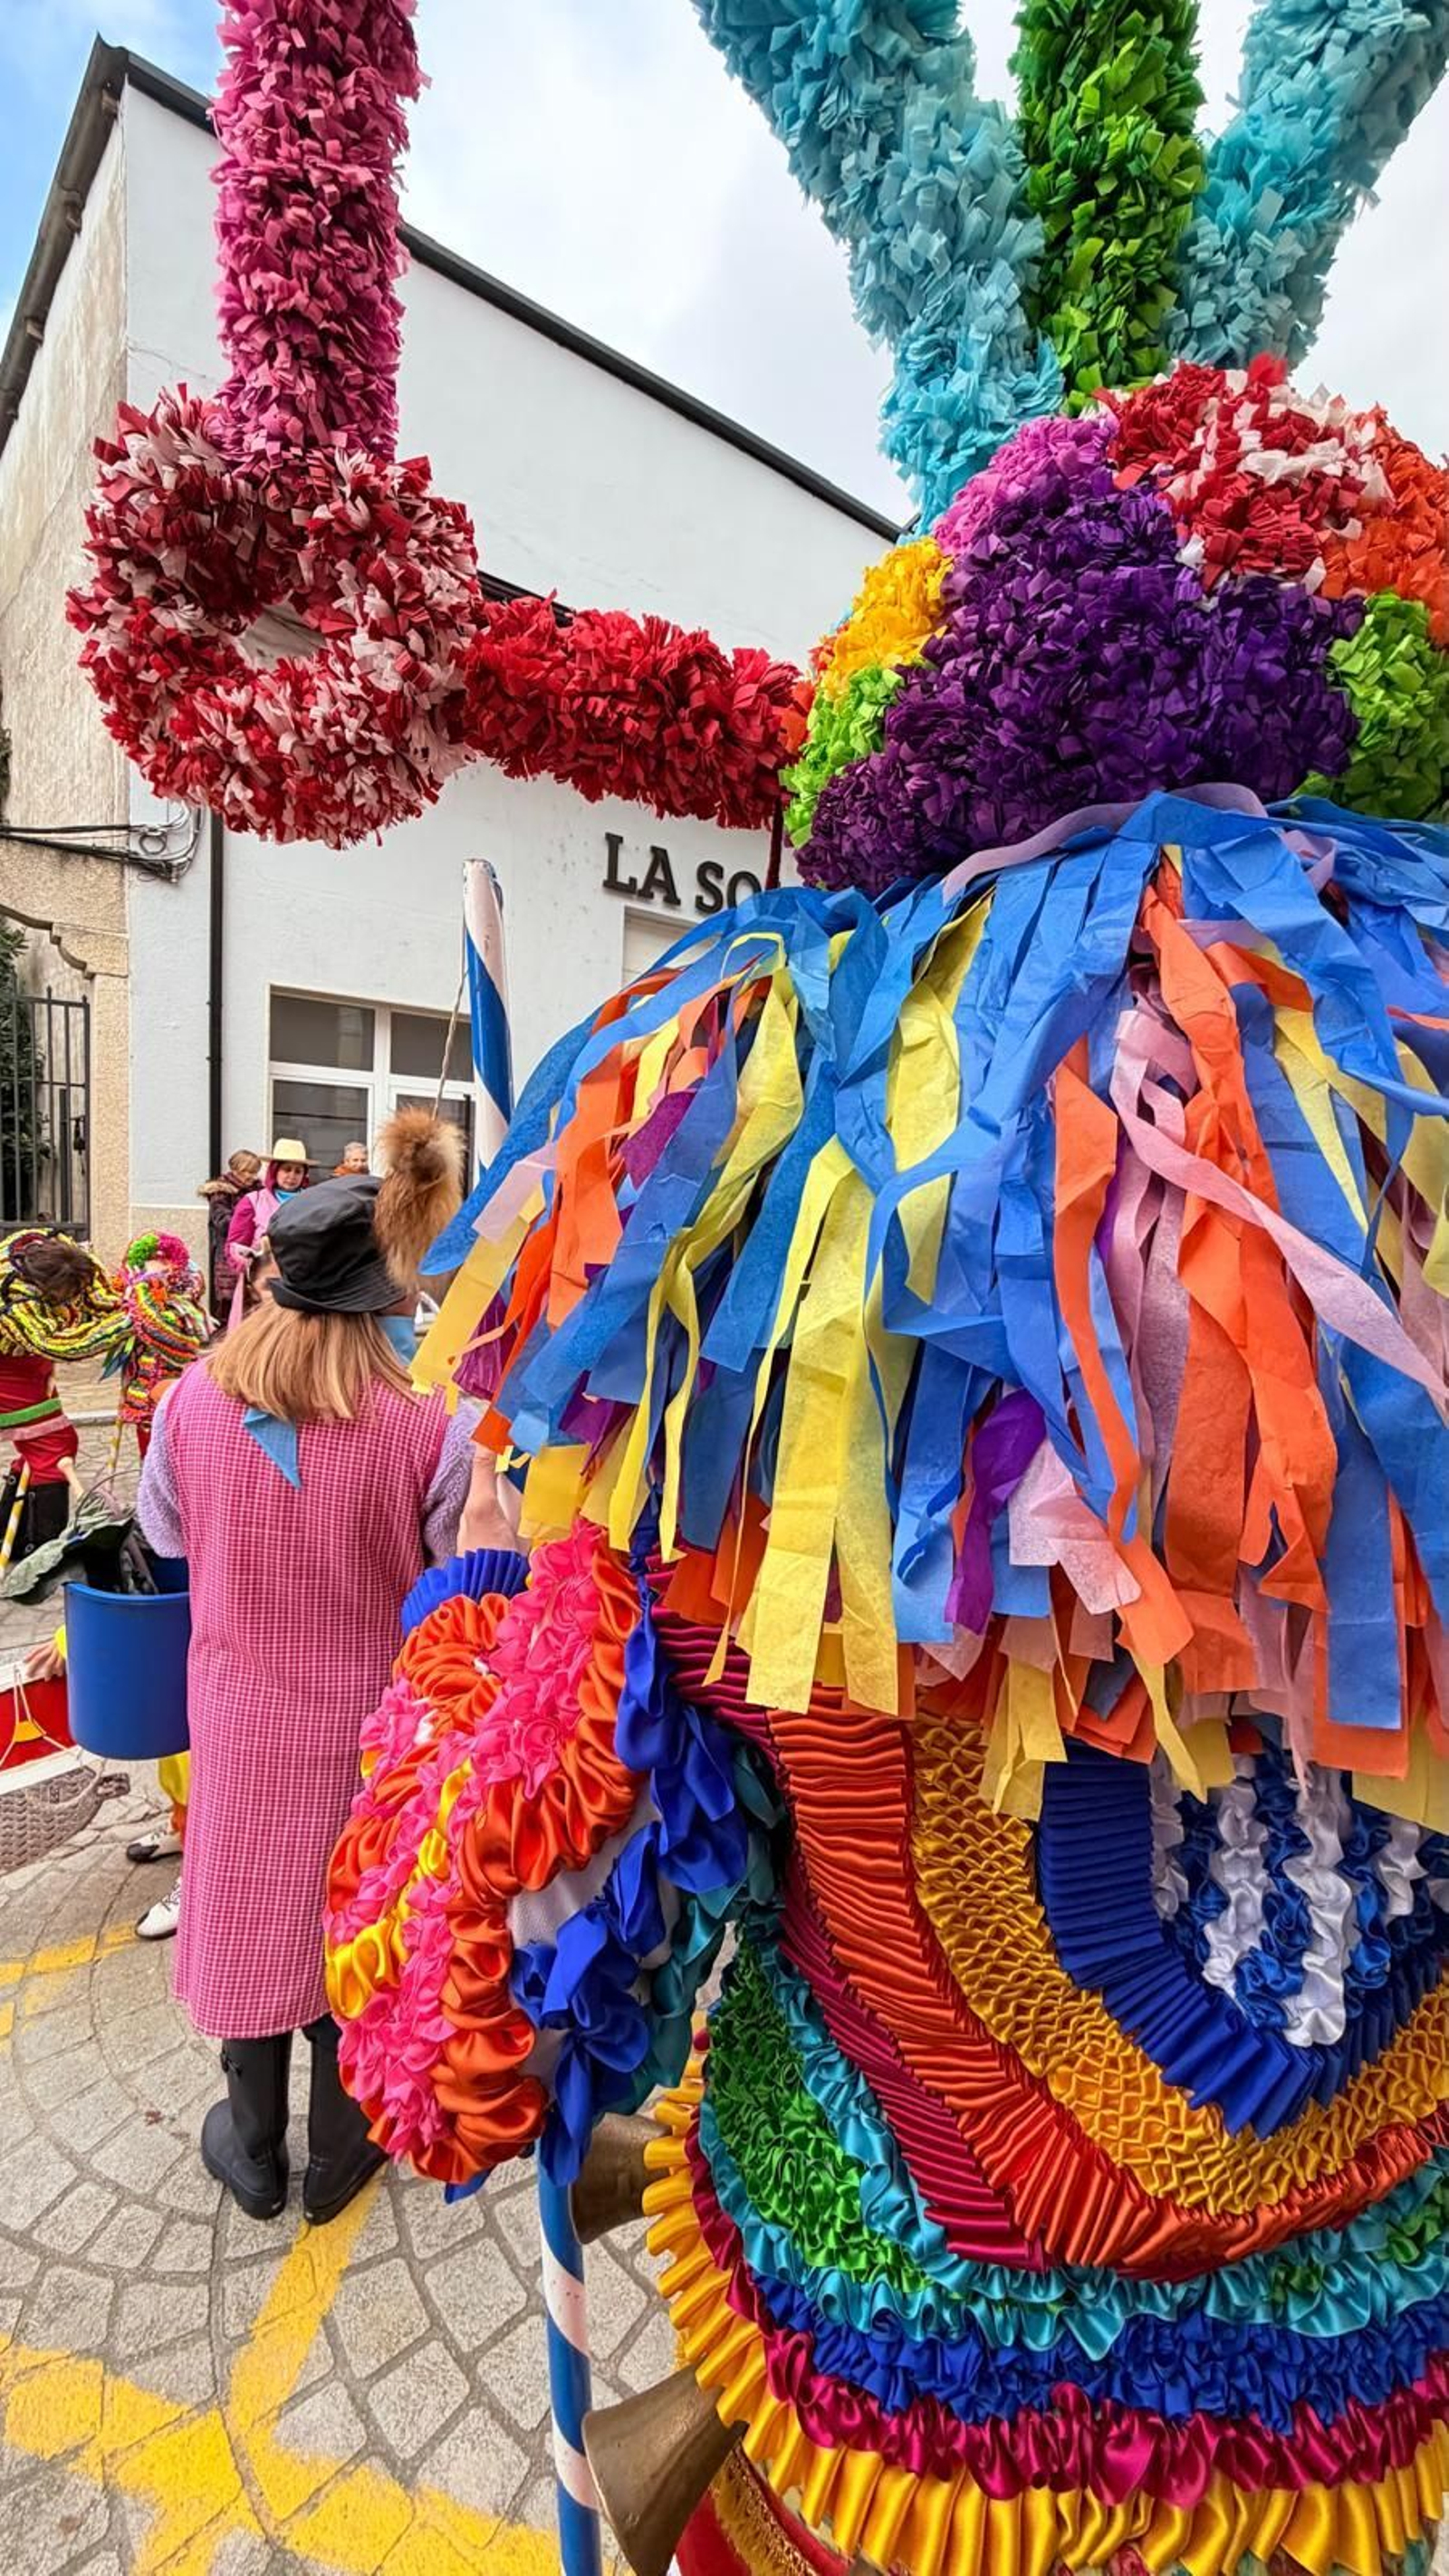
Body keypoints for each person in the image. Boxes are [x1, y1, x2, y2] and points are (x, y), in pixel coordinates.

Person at [136, 1109, 475, 2226]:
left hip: (235, 1719)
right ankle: (338, 2157)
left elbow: (169, 1550)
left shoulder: (188, 1404)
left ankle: (252, 2147)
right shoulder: (428, 1428)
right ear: (385, 1295)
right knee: (348, 1929)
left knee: (243, 1918)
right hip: (370, 1736)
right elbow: (459, 1581)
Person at [1, 1228, 123, 1560]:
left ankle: (10, 1536)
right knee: (53, 1446)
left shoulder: (46, 1245)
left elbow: (95, 1290)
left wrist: (125, 1302)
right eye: (63, 1296)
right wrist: (128, 1323)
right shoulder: (17, 1304)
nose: (71, 1302)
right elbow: (63, 1345)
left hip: (26, 1361)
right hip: (7, 1369)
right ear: (45, 1289)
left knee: (41, 1448)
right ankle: (40, 1547)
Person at [223, 1139, 311, 1328]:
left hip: (302, 1287)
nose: (292, 1176)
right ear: (275, 1170)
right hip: (262, 1290)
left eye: (298, 1171)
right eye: (286, 1169)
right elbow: (234, 1247)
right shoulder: (253, 1201)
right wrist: (253, 1265)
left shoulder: (313, 1202)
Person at [197, 1150, 261, 1323]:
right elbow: (222, 1222)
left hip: (252, 1252)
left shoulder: (258, 1192)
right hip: (228, 1255)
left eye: (254, 1172)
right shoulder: (221, 1192)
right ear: (235, 1169)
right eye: (247, 1171)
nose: (251, 1176)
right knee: (229, 1299)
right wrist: (248, 1221)